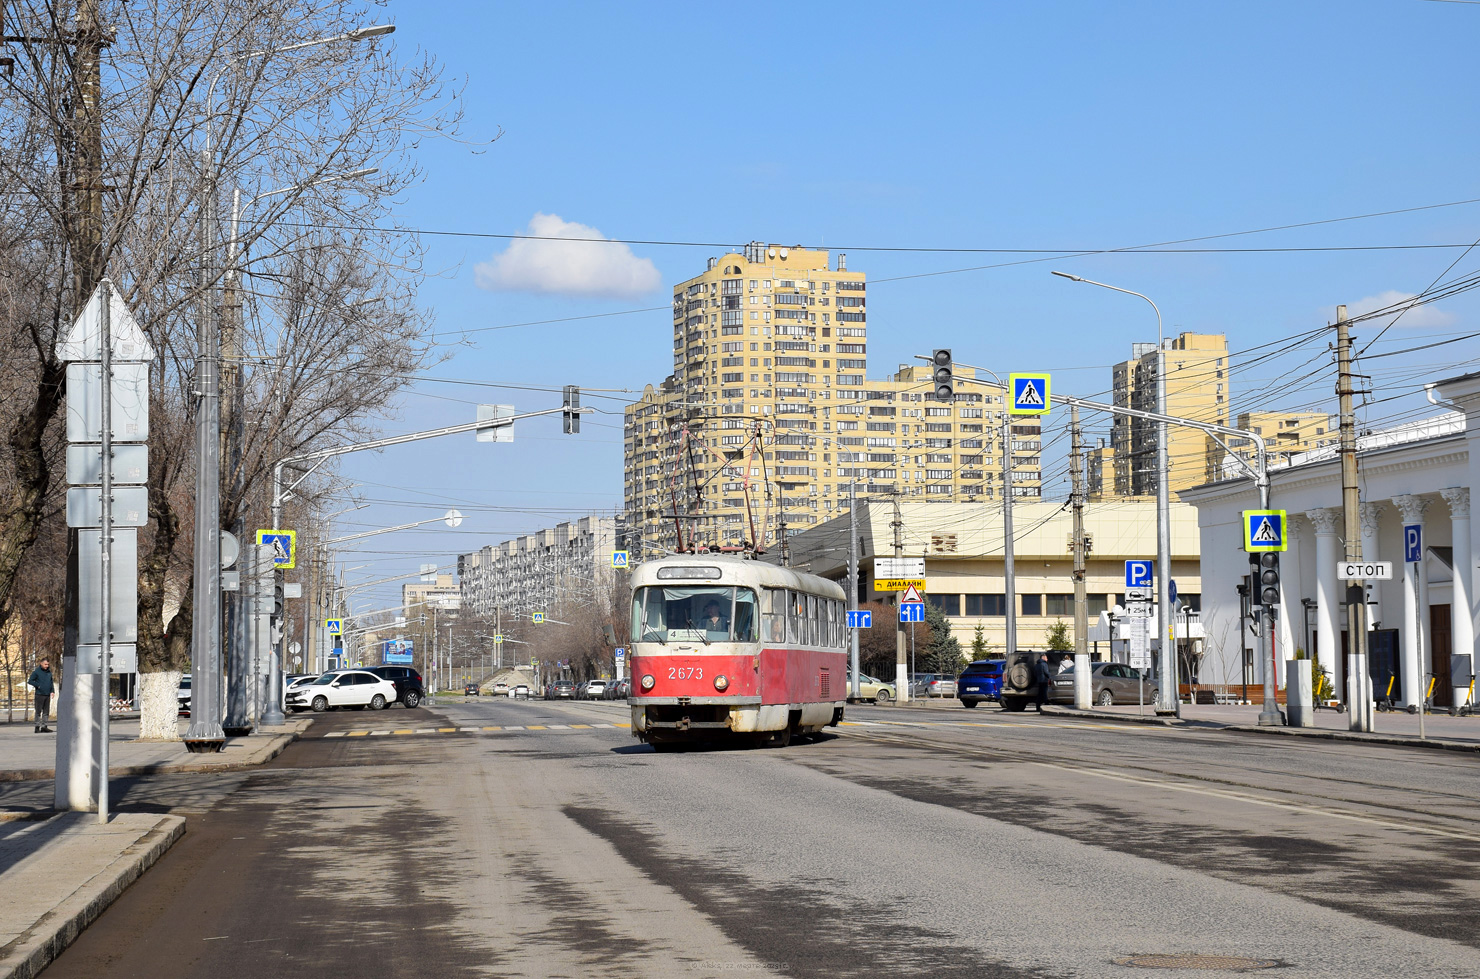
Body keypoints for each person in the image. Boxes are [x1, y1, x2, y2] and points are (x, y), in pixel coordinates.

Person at [27, 657, 55, 734]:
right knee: (38, 711)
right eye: (45, 664)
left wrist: (52, 691)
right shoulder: (36, 672)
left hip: (47, 694)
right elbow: (30, 681)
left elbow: (51, 682)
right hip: (39, 694)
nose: (47, 666)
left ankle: (44, 726)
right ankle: (37, 727)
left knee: (46, 712)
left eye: (48, 664)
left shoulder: (49, 672)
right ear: (41, 663)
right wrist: (38, 686)